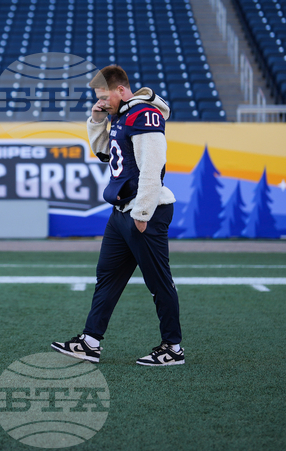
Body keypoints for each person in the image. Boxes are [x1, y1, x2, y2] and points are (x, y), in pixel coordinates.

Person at [51, 65, 184, 366]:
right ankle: (90, 342)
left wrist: (143, 212)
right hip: (122, 211)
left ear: (121, 90)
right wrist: (97, 120)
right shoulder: (122, 115)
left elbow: (152, 168)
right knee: (107, 277)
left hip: (145, 211)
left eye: (103, 96)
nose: (100, 102)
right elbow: (106, 155)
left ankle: (173, 348)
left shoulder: (143, 115)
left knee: (159, 282)